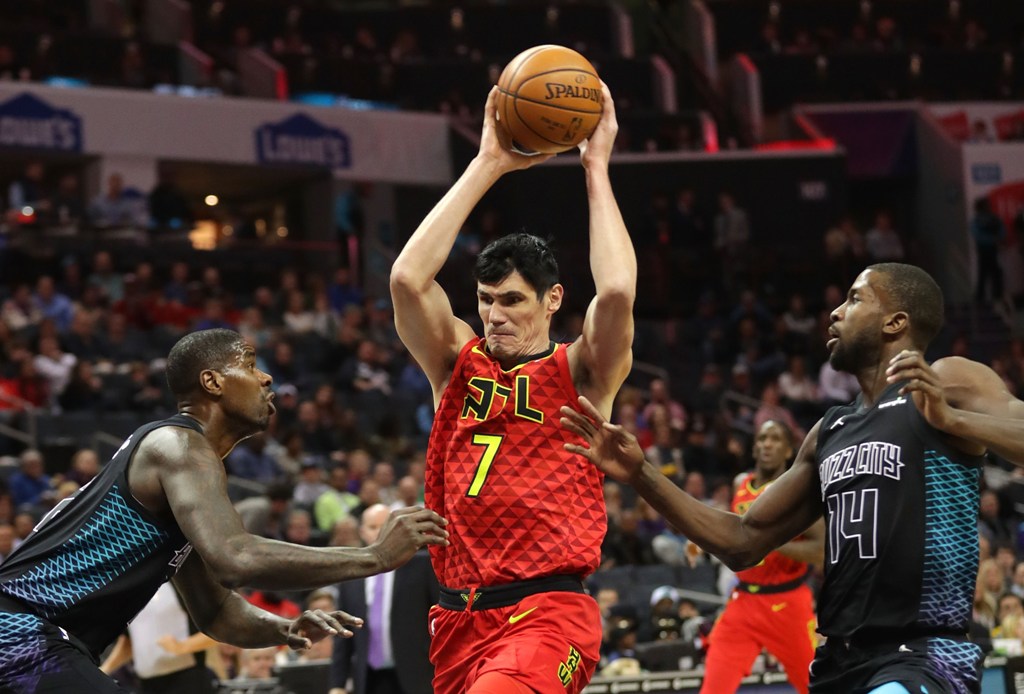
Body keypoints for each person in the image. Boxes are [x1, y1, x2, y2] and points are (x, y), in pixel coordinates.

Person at [560, 263, 1024, 694]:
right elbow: (743, 539)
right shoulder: (830, 431)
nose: (836, 313)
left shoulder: (945, 381)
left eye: (855, 300)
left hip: (925, 652)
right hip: (840, 660)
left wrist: (957, 422)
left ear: (894, 323)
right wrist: (641, 474)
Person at [0, 328, 448, 693]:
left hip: (42, 638)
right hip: (19, 629)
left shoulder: (183, 472)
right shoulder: (178, 446)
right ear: (212, 382)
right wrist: (375, 556)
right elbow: (237, 559)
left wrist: (284, 629)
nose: (267, 377)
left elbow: (215, 611)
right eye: (251, 364)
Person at [389, 83, 635, 694]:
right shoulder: (455, 363)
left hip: (547, 610)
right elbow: (407, 279)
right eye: (486, 300)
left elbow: (619, 294)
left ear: (552, 300)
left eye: (513, 301)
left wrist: (596, 167)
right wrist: (487, 164)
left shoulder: (581, 371)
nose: (495, 314)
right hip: (456, 618)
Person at [700, 420, 825, 694]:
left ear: (789, 451)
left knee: (815, 686)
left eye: (776, 439)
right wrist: (701, 541)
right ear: (754, 448)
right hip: (743, 601)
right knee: (713, 688)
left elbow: (820, 550)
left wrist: (768, 541)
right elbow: (733, 529)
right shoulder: (740, 483)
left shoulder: (800, 490)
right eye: (762, 438)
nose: (767, 444)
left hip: (787, 602)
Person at [328, 503, 438, 694]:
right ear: (362, 532)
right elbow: (343, 634)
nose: (379, 532)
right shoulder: (351, 574)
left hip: (418, 676)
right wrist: (337, 684)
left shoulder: (422, 565)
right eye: (372, 527)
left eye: (385, 526)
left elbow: (439, 619)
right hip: (369, 677)